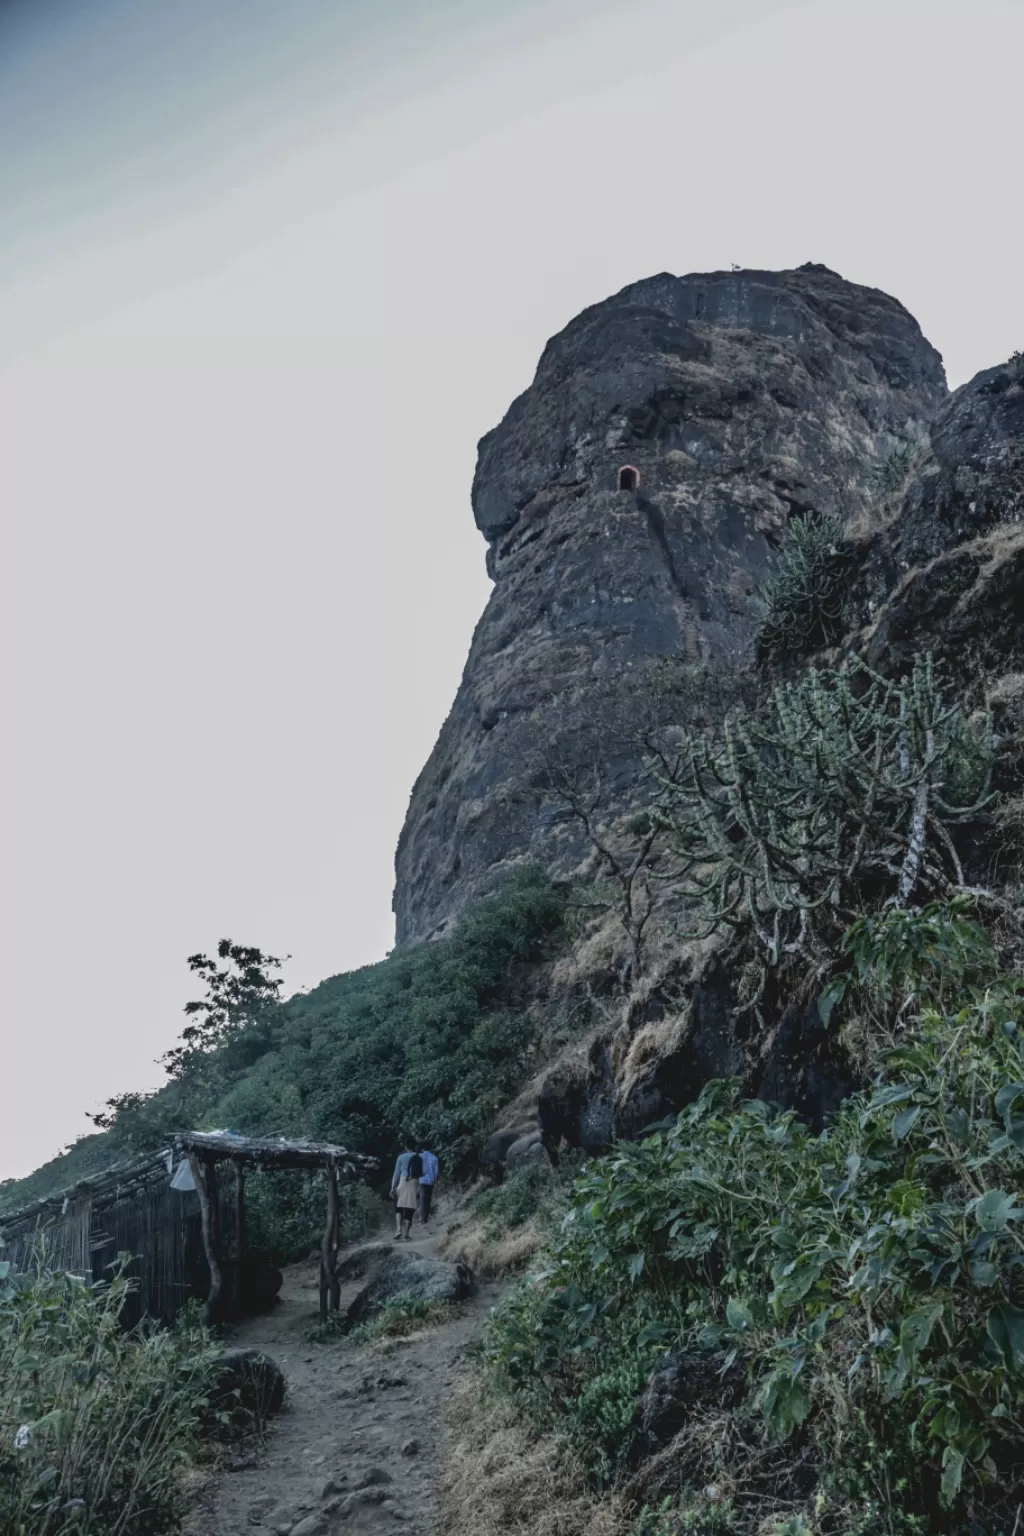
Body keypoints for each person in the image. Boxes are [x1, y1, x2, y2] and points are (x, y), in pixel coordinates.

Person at [390, 1139, 422, 1240]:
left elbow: (396, 1174)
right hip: (414, 1182)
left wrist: (393, 1188)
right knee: (410, 1207)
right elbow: (422, 1173)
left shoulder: (401, 1157)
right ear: (415, 1146)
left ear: (406, 1147)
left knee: (399, 1206)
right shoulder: (419, 1157)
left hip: (403, 1180)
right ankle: (406, 1234)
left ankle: (398, 1230)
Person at [418, 1147, 439, 1224]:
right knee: (428, 1199)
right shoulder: (434, 1158)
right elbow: (436, 1173)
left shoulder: (419, 1156)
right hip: (431, 1181)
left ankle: (422, 1218)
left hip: (422, 1180)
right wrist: (436, 1184)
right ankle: (425, 1217)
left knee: (422, 1199)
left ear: (423, 1149)